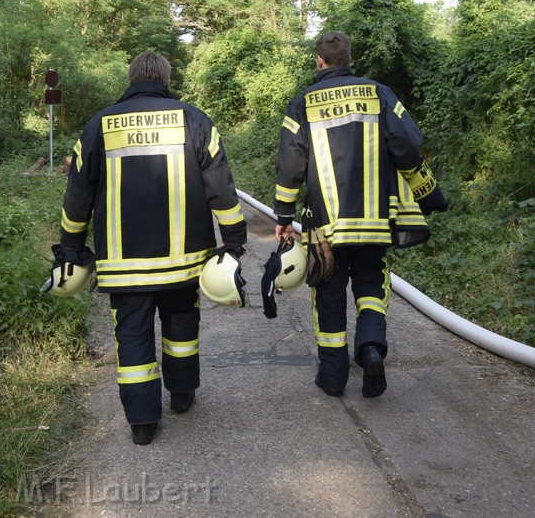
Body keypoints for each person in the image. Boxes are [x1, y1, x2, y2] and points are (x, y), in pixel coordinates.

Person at [55, 51, 247, 445]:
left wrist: (71, 245)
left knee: (132, 336)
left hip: (124, 267)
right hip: (184, 262)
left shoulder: (99, 125)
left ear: (131, 78)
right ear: (166, 77)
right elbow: (220, 188)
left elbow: (78, 193)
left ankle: (142, 423)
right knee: (181, 326)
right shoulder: (194, 119)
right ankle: (181, 395)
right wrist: (234, 238)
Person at [274, 31, 447, 399]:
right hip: (375, 219)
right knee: (370, 283)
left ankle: (333, 376)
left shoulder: (302, 102)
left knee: (329, 290)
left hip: (326, 224)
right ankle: (370, 348)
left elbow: (291, 161)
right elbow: (408, 143)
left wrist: (283, 214)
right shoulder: (378, 93)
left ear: (319, 60)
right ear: (349, 58)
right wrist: (427, 193)